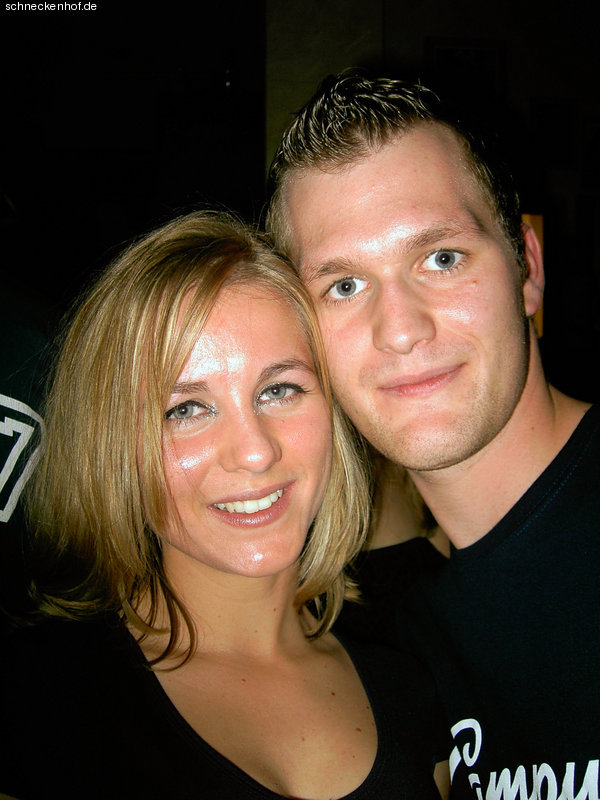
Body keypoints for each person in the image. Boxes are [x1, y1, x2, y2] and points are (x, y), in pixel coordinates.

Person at [0, 210, 449, 800]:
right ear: (114, 447)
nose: (255, 452)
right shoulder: (35, 700)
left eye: (279, 390)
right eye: (185, 409)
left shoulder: (413, 684)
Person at [266, 71, 599, 798]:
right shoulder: (412, 651)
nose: (401, 329)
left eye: (441, 259)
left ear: (528, 269)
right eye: (344, 286)